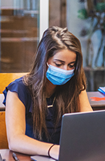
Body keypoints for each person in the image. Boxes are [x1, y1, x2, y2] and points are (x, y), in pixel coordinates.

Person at [3, 26, 93, 159]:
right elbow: (15, 140)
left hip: (67, 156)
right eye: (58, 64)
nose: (65, 70)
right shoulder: (18, 89)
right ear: (44, 60)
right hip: (31, 157)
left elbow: (90, 124)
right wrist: (53, 150)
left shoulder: (75, 86)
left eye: (71, 65)